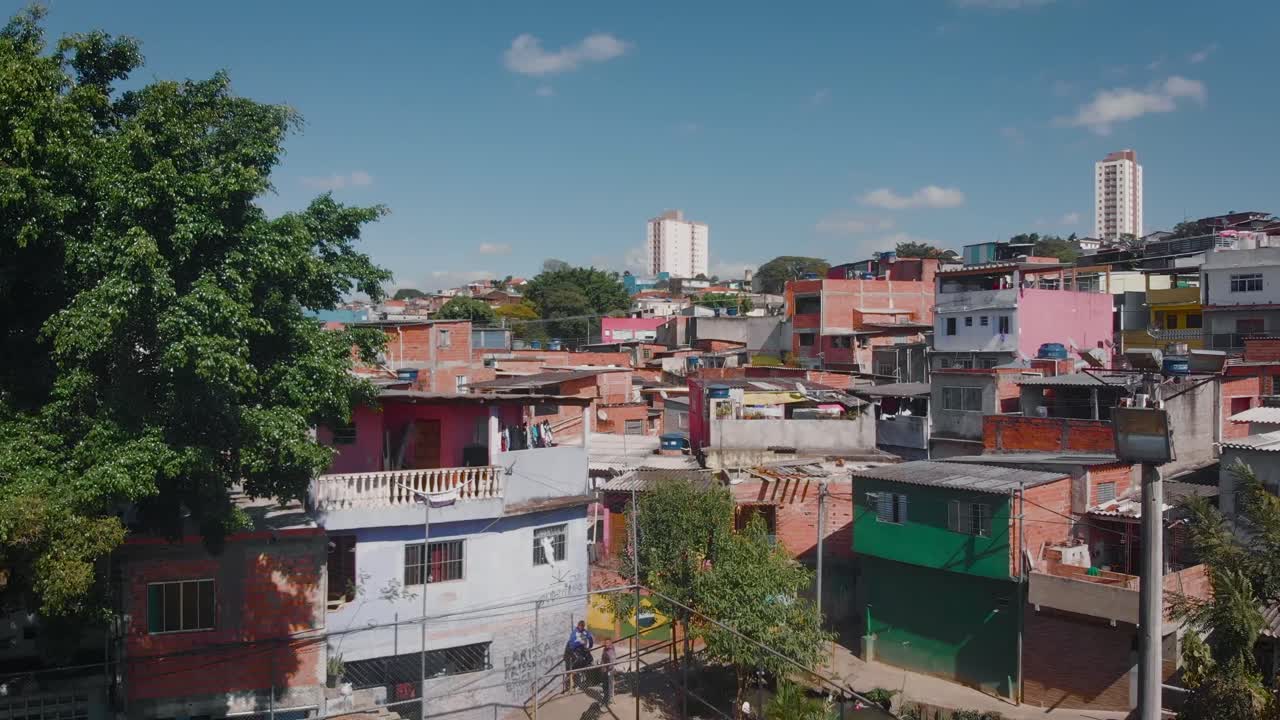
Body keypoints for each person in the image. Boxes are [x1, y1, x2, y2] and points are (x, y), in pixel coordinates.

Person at [564, 620, 594, 691]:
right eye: (580, 626)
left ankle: (586, 680)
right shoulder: (574, 634)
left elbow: (589, 639)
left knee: (589, 659)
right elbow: (572, 646)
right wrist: (579, 643)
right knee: (577, 663)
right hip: (572, 653)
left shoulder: (584, 632)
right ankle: (570, 685)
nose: (581, 628)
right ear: (578, 626)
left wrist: (589, 643)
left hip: (581, 651)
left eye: (583, 626)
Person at [600, 640, 615, 705]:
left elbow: (612, 662)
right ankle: (606, 698)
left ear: (611, 644)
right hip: (604, 671)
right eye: (606, 643)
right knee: (605, 685)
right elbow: (603, 659)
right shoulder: (604, 650)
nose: (606, 644)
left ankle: (609, 699)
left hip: (609, 671)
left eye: (608, 643)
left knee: (609, 685)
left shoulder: (611, 651)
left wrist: (608, 669)